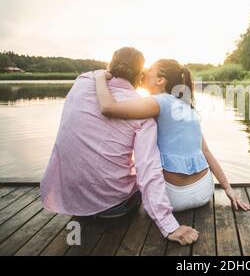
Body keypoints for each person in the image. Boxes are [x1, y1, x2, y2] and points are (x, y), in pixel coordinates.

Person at [40, 48, 198, 245]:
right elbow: (147, 169)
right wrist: (169, 225)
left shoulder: (83, 81)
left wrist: (99, 77)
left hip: (69, 200)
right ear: (139, 74)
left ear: (110, 66)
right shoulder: (143, 115)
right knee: (144, 175)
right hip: (113, 208)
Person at [94, 59, 250, 212]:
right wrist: (228, 189)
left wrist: (99, 78)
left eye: (149, 70)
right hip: (204, 191)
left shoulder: (158, 101)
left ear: (160, 80)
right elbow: (206, 151)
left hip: (172, 197)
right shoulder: (188, 108)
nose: (144, 71)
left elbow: (108, 108)